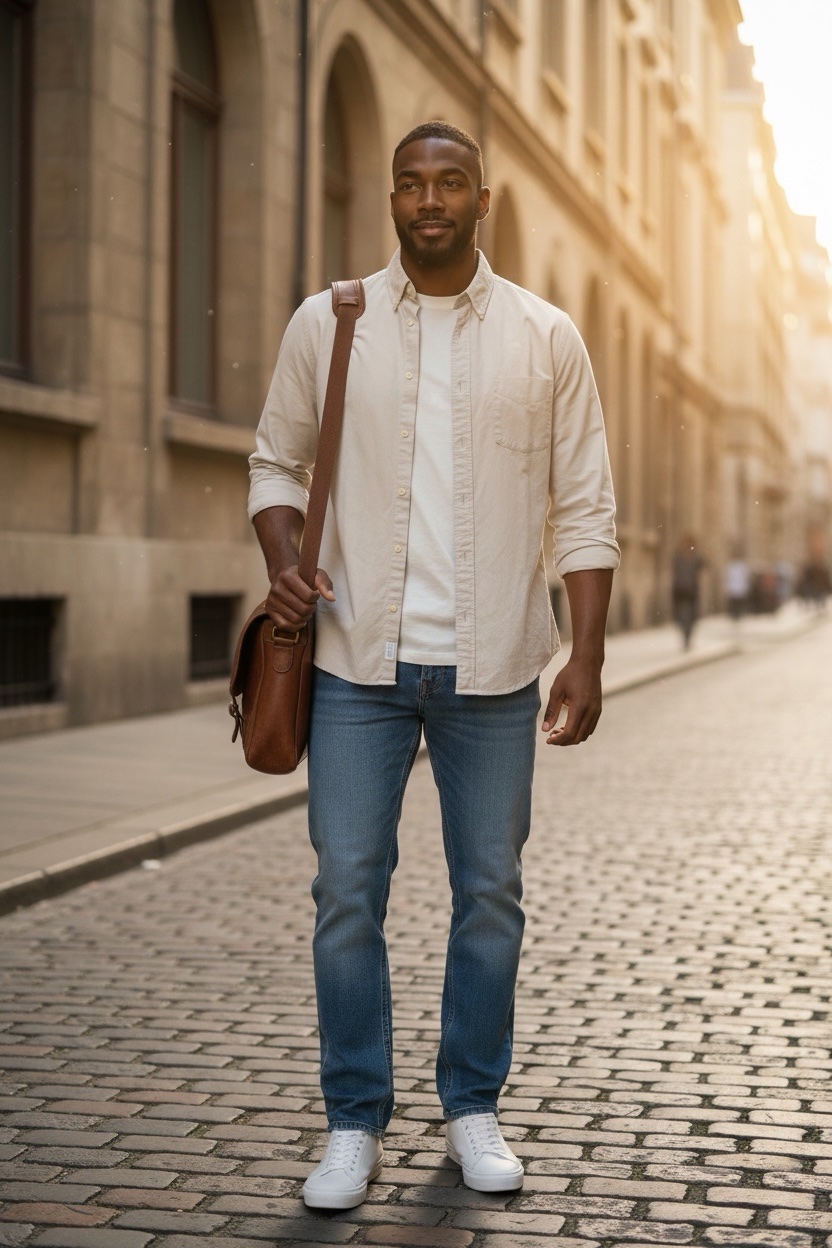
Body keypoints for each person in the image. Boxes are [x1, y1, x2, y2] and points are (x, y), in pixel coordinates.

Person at [248, 121, 619, 1210]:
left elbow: (586, 503)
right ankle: (352, 1121)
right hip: (353, 663)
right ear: (392, 199)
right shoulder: (330, 321)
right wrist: (282, 564)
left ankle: (470, 1108)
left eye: (450, 182)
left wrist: (587, 654)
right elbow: (274, 462)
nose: (429, 199)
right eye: (411, 182)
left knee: (490, 894)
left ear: (481, 201)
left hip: (494, 668)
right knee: (346, 892)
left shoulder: (546, 336)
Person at [671, 534, 705, 648]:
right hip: (681, 590)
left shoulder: (694, 558)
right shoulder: (678, 557)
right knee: (682, 616)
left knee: (690, 616)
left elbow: (704, 566)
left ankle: (687, 636)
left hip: (690, 591)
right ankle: (685, 636)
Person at [724, 550, 751, 622]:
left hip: (737, 588)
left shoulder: (739, 566)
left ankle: (737, 615)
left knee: (737, 603)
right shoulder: (733, 566)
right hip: (735, 588)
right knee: (736, 603)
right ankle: (735, 615)